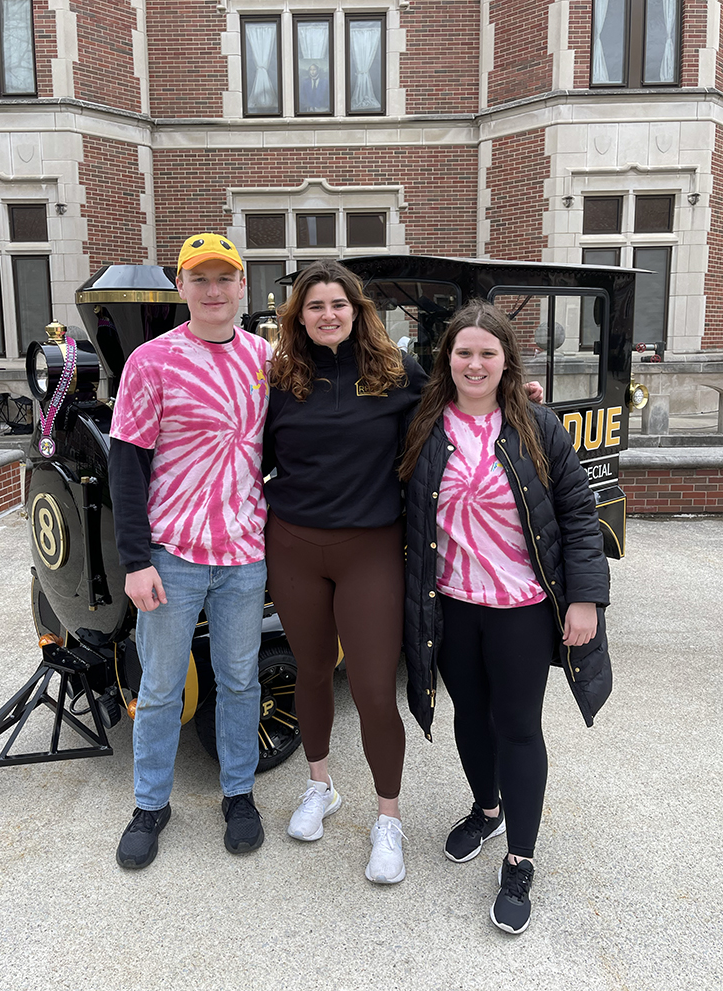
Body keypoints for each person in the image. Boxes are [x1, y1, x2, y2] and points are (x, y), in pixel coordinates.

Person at [399, 299, 612, 933]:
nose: (474, 363)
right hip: (454, 606)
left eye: (487, 353)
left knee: (517, 727)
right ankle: (486, 809)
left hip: (521, 607)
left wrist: (585, 598)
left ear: (505, 361)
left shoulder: (538, 426)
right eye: (463, 352)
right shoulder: (423, 425)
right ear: (447, 360)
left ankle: (520, 857)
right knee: (468, 714)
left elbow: (578, 514)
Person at [108, 233, 272, 869]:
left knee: (238, 680)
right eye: (199, 279)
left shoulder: (266, 360)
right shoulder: (151, 363)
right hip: (172, 553)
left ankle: (239, 793)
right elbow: (127, 466)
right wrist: (134, 558)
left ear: (241, 288)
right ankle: (150, 803)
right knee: (159, 686)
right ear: (181, 288)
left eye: (224, 278)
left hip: (244, 553)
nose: (213, 291)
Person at [262, 260, 428, 884]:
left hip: (371, 547)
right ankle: (320, 785)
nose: (327, 315)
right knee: (310, 672)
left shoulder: (396, 374)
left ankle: (389, 818)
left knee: (373, 688)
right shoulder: (279, 379)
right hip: (295, 545)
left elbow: (452, 416)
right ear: (297, 317)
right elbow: (247, 454)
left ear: (358, 311)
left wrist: (514, 395)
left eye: (338, 304)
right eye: (315, 306)